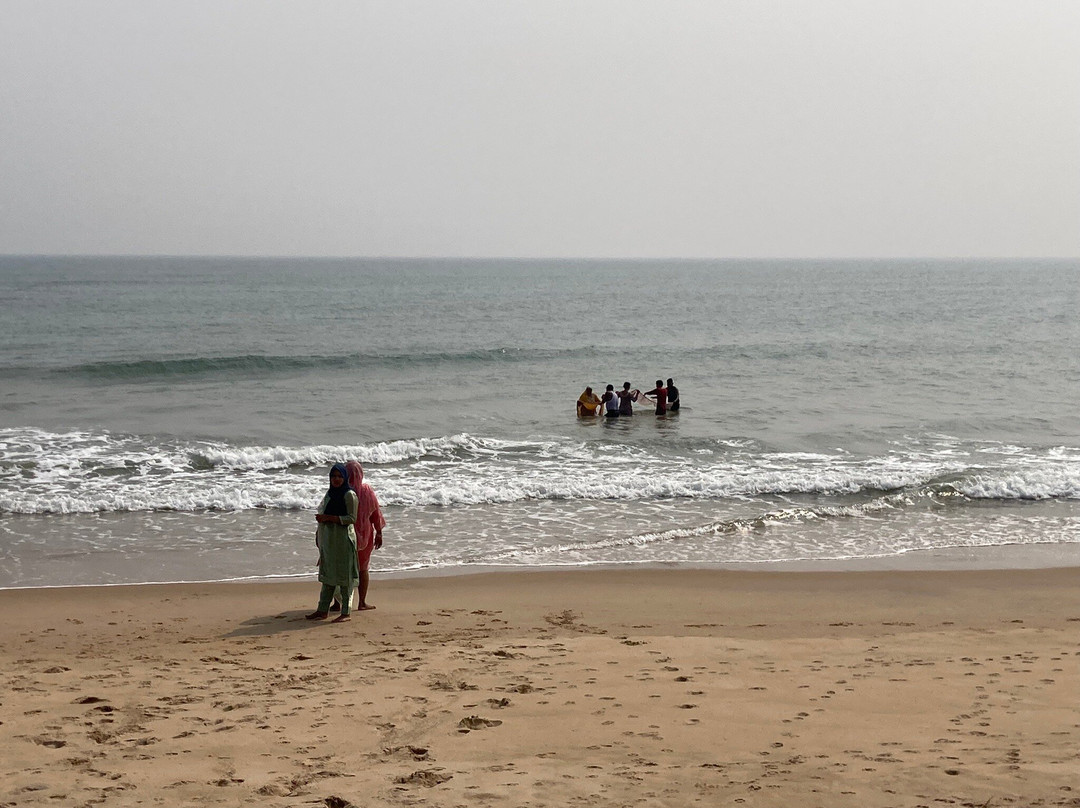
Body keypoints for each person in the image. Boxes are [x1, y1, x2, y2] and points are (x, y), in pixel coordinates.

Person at [306, 463, 359, 623]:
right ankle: (322, 610)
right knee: (328, 575)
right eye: (333, 476)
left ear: (345, 478)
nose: (336, 479)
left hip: (343, 539)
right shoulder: (330, 494)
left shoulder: (349, 495)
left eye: (339, 476)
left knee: (344, 577)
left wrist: (330, 518)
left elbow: (352, 518)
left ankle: (346, 612)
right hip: (330, 540)